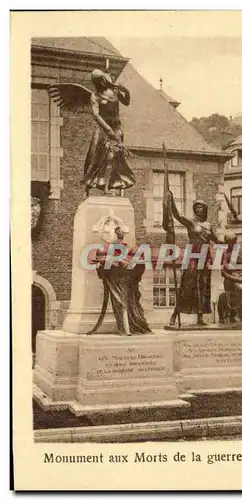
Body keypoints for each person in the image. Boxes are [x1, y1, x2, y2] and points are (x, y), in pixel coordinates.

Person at [48, 69, 135, 197]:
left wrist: (125, 90)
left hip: (117, 130)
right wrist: (108, 130)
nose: (101, 82)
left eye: (102, 80)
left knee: (115, 158)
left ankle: (108, 186)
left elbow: (126, 102)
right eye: (98, 81)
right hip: (104, 131)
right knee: (97, 159)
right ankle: (90, 185)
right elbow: (96, 115)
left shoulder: (114, 92)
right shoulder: (95, 96)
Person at [90, 215, 152, 336]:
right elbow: (99, 259)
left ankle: (130, 327)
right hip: (115, 278)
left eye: (121, 235)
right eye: (118, 235)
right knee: (122, 302)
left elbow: (134, 259)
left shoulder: (125, 247)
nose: (120, 237)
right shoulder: (110, 246)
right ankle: (125, 328)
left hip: (125, 277)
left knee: (128, 302)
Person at [167, 194, 222, 327]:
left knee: (202, 286)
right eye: (196, 207)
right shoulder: (191, 222)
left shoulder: (208, 225)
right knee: (187, 285)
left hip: (205, 256)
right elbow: (177, 216)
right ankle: (175, 315)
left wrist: (230, 241)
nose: (199, 209)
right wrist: (171, 201)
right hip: (192, 254)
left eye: (201, 207)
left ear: (205, 209)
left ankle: (200, 316)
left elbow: (216, 240)